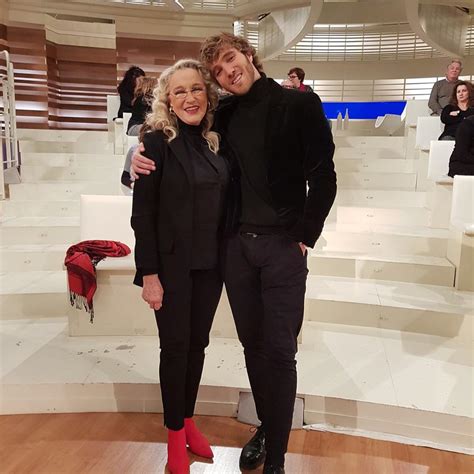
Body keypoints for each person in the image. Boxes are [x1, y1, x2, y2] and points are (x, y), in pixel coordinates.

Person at [132, 33, 336, 474]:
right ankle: (265, 426)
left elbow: (324, 175)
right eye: (219, 72)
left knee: (279, 351)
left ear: (248, 54)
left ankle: (277, 458)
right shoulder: (220, 114)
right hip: (234, 250)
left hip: (282, 248)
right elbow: (165, 147)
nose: (228, 72)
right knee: (251, 347)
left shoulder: (299, 104)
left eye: (230, 61)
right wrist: (132, 162)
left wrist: (305, 234)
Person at [131, 58, 236, 474]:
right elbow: (143, 214)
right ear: (168, 101)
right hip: (171, 269)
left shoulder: (214, 141)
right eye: (180, 91)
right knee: (175, 351)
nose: (189, 97)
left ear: (206, 95)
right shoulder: (156, 141)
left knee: (198, 347)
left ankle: (189, 420)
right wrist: (149, 275)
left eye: (196, 89)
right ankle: (175, 435)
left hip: (210, 267)